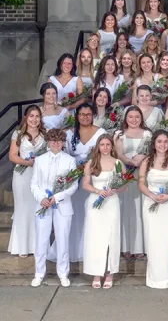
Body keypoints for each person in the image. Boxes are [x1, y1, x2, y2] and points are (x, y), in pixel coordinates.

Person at [30, 128, 78, 288]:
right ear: (48, 142)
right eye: (52, 140)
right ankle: (39, 273)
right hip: (43, 204)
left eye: (59, 140)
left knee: (62, 240)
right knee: (41, 240)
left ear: (62, 142)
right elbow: (34, 183)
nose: (56, 143)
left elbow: (73, 186)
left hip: (62, 205)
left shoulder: (69, 160)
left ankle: (63, 273)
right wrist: (41, 198)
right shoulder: (40, 160)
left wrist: (57, 197)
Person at [138, 130, 168, 289]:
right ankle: (153, 278)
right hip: (150, 203)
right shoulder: (146, 162)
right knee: (152, 239)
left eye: (165, 142)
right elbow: (141, 183)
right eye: (159, 141)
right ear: (154, 144)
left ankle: (165, 278)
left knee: (167, 239)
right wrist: (151, 195)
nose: (162, 145)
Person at [82, 134, 126, 289]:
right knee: (95, 238)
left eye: (108, 144)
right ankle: (96, 272)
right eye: (102, 144)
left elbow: (124, 185)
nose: (105, 147)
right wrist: (97, 190)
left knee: (111, 237)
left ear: (112, 147)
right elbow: (85, 184)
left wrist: (115, 189)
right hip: (95, 203)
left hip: (111, 203)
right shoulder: (91, 163)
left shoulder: (118, 163)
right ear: (98, 147)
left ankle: (109, 272)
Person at [64, 103, 106, 262]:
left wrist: (89, 167)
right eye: (82, 114)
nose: (85, 117)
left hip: (93, 177)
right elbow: (66, 155)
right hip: (74, 177)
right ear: (77, 116)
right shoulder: (69, 134)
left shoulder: (101, 132)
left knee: (91, 213)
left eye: (88, 114)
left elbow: (104, 153)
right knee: (75, 213)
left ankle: (92, 249)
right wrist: (76, 167)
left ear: (93, 115)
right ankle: (74, 249)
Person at [8, 105, 46, 257]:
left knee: (37, 208)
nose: (34, 119)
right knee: (23, 209)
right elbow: (12, 156)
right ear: (26, 117)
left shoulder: (45, 134)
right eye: (31, 116)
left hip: (40, 176)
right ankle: (22, 246)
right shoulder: (18, 134)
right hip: (22, 176)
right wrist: (29, 163)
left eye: (37, 116)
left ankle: (36, 245)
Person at [115, 106, 152, 258]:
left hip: (141, 174)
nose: (134, 120)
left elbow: (151, 153)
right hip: (124, 173)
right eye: (130, 117)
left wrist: (140, 162)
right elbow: (117, 154)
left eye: (137, 117)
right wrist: (129, 161)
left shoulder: (148, 134)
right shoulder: (119, 134)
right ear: (125, 118)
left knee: (139, 210)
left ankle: (139, 247)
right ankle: (125, 247)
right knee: (125, 210)